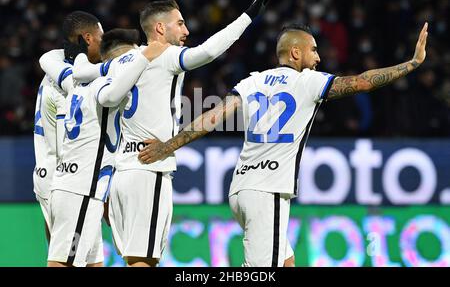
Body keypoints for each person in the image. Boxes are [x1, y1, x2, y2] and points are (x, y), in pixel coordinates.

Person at [137, 22, 429, 266]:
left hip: (240, 191)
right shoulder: (308, 82)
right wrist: (412, 63)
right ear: (295, 52)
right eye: (313, 50)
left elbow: (211, 118)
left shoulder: (251, 82)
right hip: (269, 192)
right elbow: (363, 82)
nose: (318, 58)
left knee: (286, 263)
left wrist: (168, 145)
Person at [108, 0, 280, 267]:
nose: (186, 31)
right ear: (160, 28)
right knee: (144, 262)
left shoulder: (123, 60)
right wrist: (249, 15)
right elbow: (209, 51)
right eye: (180, 23)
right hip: (148, 169)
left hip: (122, 170)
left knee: (134, 259)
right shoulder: (165, 55)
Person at [46, 28, 169, 267]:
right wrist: (142, 57)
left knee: (93, 264)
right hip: (82, 188)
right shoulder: (103, 85)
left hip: (77, 186)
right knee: (62, 263)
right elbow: (113, 93)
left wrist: (79, 55)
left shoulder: (74, 81)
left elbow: (46, 59)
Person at [34, 11, 104, 243]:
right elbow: (70, 140)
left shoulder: (53, 63)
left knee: (70, 252)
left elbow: (48, 57)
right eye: (101, 37)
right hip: (65, 175)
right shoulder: (69, 84)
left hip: (49, 172)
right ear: (87, 38)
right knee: (69, 256)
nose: (105, 45)